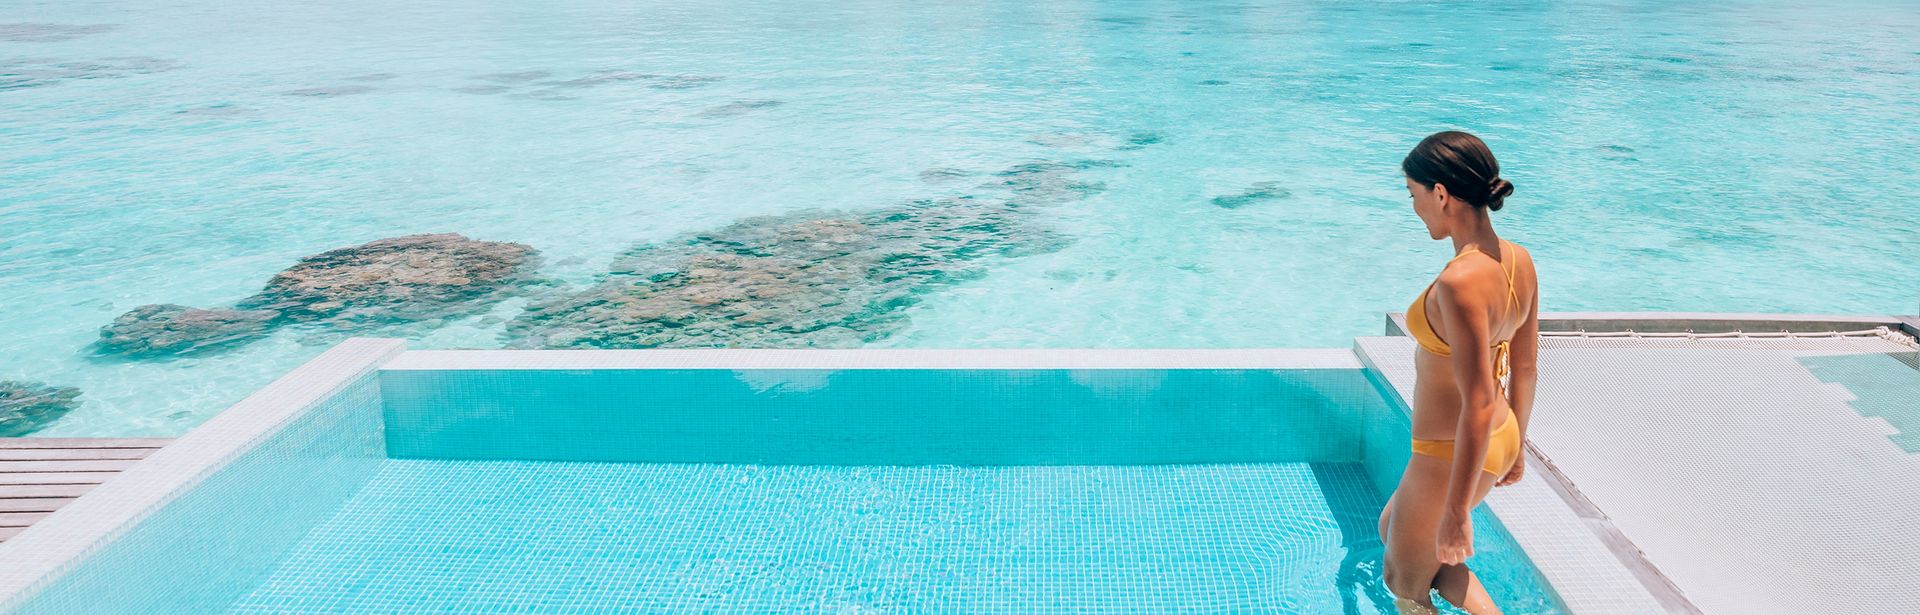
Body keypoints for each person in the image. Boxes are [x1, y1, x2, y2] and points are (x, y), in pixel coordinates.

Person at [1378, 131, 1540, 614]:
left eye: (1414, 195)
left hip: (1448, 452)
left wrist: (1455, 512)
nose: (1415, 207)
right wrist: (1517, 449)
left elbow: (1477, 402)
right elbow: (1527, 367)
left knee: (1403, 582)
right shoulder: (1518, 260)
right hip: (1500, 434)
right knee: (1394, 529)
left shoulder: (1459, 282)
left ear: (1441, 194)